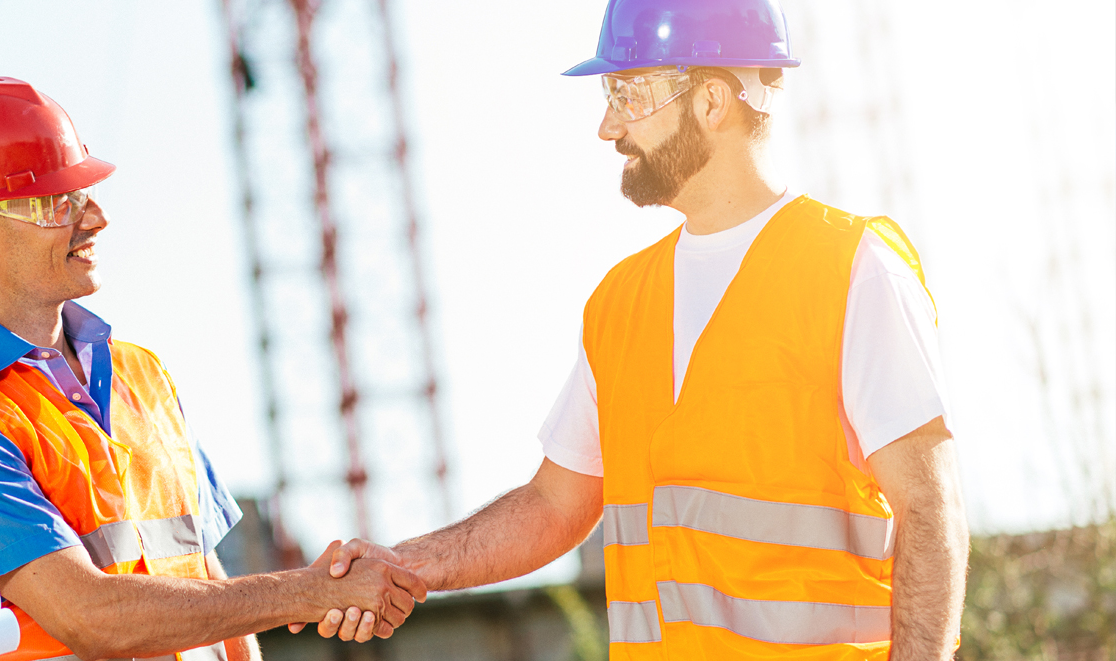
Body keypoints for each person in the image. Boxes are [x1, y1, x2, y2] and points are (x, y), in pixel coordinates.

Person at [308, 0, 969, 657]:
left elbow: (929, 509)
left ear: (712, 101)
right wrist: (405, 562)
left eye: (627, 93)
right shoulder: (619, 302)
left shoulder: (851, 269)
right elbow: (553, 503)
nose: (606, 126)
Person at [0, 77, 425, 661]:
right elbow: (88, 617)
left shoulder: (142, 375)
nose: (97, 219)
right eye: (60, 202)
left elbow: (210, 583)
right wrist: (306, 593)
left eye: (85, 195)